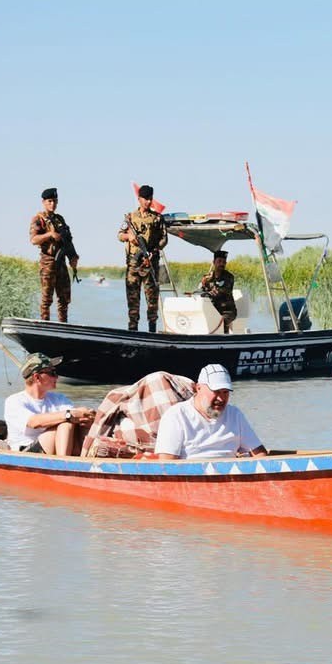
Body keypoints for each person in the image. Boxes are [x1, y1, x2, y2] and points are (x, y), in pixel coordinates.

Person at [155, 364, 269, 460]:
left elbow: (259, 453)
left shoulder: (235, 414)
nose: (221, 398)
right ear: (198, 388)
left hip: (230, 479)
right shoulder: (176, 415)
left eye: (225, 392)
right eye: (216, 392)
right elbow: (166, 464)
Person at [4, 353, 94, 454]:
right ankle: (64, 464)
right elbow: (34, 422)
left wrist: (88, 417)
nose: (57, 377)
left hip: (53, 449)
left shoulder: (59, 398)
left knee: (80, 425)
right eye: (52, 373)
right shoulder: (14, 401)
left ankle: (81, 460)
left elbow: (75, 414)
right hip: (25, 453)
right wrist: (68, 415)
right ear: (37, 377)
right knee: (66, 422)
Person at [118, 184, 168, 331]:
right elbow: (119, 235)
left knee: (152, 300)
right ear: (139, 199)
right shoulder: (130, 218)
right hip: (134, 263)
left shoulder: (157, 218)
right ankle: (133, 329)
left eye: (150, 199)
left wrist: (155, 250)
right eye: (145, 199)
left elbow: (164, 239)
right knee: (133, 300)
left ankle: (152, 330)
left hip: (150, 263)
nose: (147, 202)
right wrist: (129, 237)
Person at [29, 187, 78, 322]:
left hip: (61, 262)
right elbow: (33, 239)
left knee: (64, 298)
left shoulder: (59, 219)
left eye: (55, 201)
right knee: (47, 298)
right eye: (50, 201)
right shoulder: (39, 219)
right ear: (43, 202)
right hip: (48, 262)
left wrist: (73, 257)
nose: (53, 204)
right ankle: (45, 324)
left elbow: (67, 240)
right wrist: (49, 234)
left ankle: (63, 324)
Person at [198, 250, 237, 334]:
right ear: (214, 262)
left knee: (221, 324)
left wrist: (208, 290)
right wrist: (203, 285)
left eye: (223, 262)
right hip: (212, 310)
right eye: (219, 261)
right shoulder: (207, 277)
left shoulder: (229, 277)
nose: (221, 264)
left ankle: (225, 342)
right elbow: (201, 292)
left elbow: (221, 291)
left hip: (227, 311)